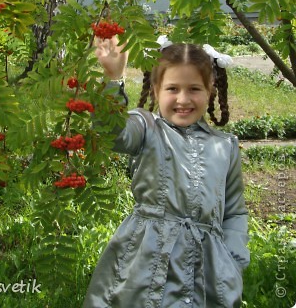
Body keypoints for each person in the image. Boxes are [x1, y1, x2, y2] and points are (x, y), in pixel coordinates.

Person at [82, 36, 250, 308]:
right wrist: (113, 79)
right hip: (145, 263)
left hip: (209, 270)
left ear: (210, 90)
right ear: (156, 89)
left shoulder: (224, 146)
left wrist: (233, 259)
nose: (183, 99)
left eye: (194, 88)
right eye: (172, 88)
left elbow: (234, 211)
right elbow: (112, 134)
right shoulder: (146, 127)